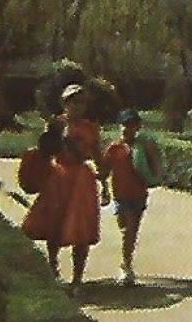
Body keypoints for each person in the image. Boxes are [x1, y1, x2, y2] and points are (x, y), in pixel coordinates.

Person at [20, 117, 102, 298]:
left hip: (81, 179)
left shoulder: (90, 127)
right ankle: (52, 266)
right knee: (53, 224)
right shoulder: (56, 123)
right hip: (58, 177)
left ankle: (77, 278)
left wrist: (103, 179)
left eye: (81, 101)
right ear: (64, 103)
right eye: (72, 101)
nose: (77, 106)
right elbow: (45, 149)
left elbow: (96, 155)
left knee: (80, 229)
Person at [103, 109, 161, 287]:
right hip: (120, 194)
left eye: (132, 125)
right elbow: (104, 171)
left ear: (138, 127)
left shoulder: (143, 148)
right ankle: (125, 264)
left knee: (131, 231)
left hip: (138, 194)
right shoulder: (114, 148)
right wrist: (103, 190)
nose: (128, 129)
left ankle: (126, 264)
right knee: (126, 229)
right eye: (125, 124)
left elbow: (157, 168)